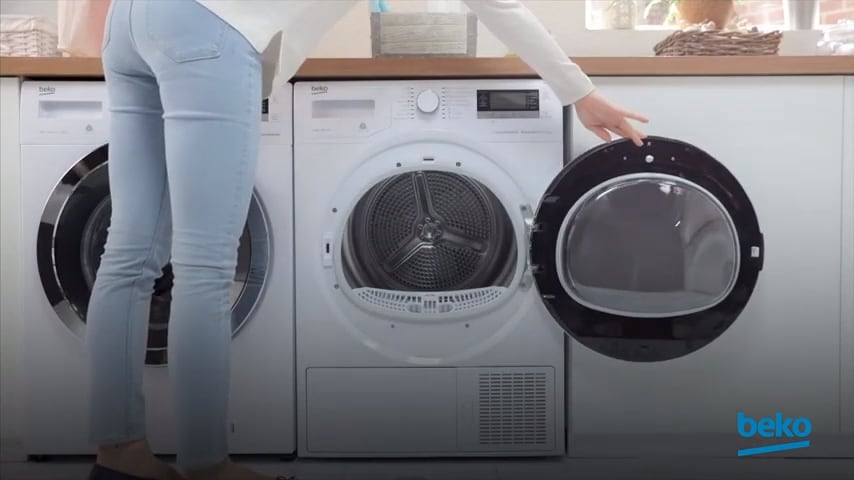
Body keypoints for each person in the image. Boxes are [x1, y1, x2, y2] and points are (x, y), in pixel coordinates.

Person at [85, 1, 649, 479]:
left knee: (128, 254)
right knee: (205, 267)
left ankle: (118, 452)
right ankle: (206, 464)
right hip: (210, 31)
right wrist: (581, 92)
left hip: (134, 21)